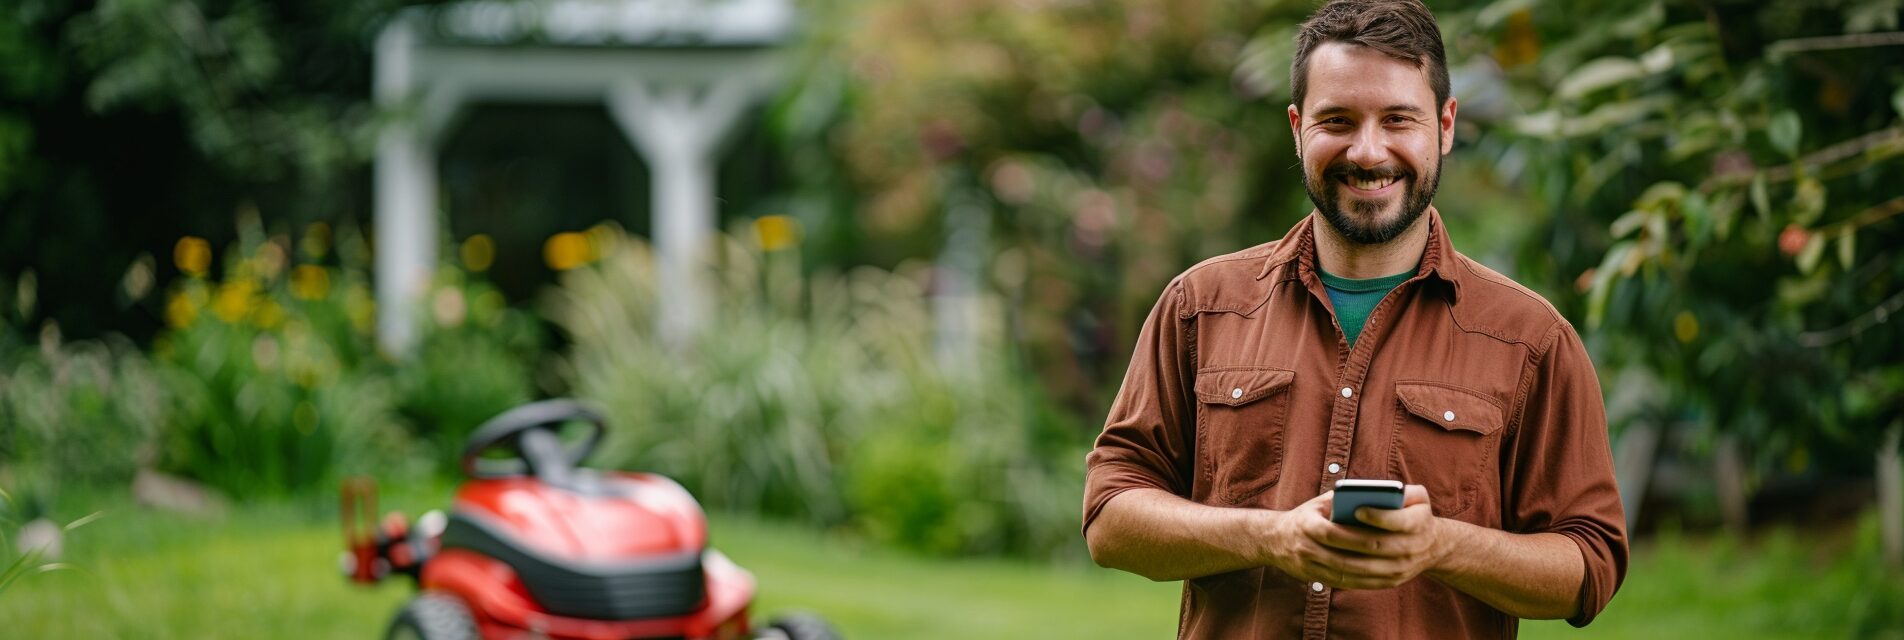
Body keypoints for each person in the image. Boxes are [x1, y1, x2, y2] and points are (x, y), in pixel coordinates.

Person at [1080, 1, 1628, 637]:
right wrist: (1268, 535)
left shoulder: (1531, 339)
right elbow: (1111, 517)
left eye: (1399, 119)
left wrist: (1442, 546)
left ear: (1446, 126)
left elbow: (1590, 566)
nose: (1368, 152)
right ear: (1297, 127)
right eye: (1337, 120)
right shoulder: (1200, 306)